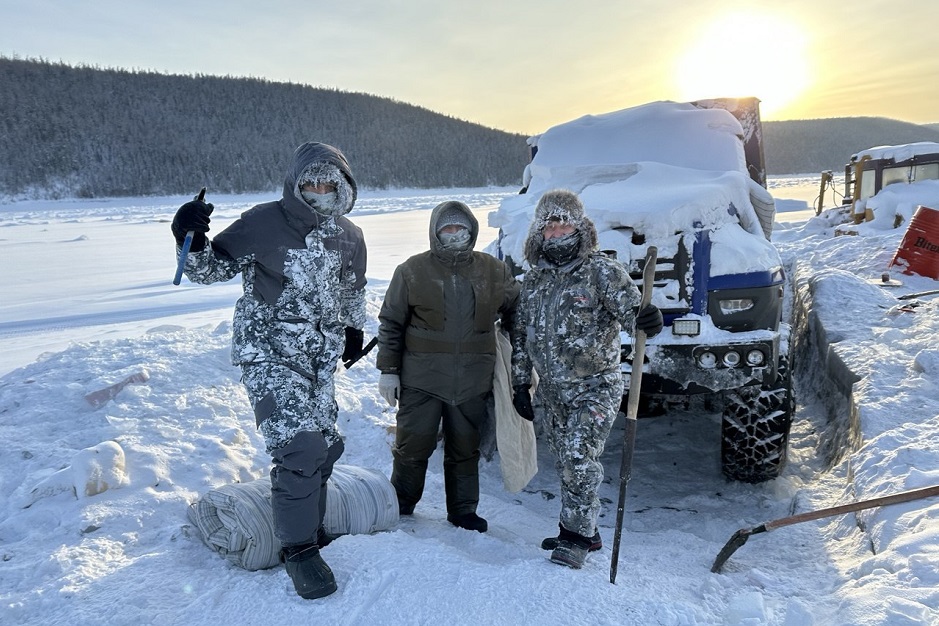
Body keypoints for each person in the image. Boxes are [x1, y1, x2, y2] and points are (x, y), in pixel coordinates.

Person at [171, 142, 369, 599]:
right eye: (311, 182)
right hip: (270, 352)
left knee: (327, 447)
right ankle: (298, 549)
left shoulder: (350, 234)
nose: (319, 190)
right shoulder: (265, 221)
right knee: (300, 449)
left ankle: (311, 528)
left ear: (342, 186)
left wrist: (354, 330)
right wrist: (190, 236)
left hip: (318, 360)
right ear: (295, 183)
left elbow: (353, 289)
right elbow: (209, 269)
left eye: (329, 183)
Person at [510, 189, 663, 569]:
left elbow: (633, 313)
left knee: (579, 458)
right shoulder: (533, 281)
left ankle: (575, 538)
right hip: (554, 390)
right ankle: (584, 529)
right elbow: (521, 336)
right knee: (567, 460)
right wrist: (519, 384)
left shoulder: (601, 271)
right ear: (539, 231)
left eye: (565, 223)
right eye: (549, 225)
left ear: (580, 226)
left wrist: (647, 319)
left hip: (596, 385)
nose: (557, 231)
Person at [376, 200, 520, 533]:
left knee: (465, 448)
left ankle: (463, 511)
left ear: (471, 230)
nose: (454, 233)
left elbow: (518, 310)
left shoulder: (493, 270)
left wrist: (518, 354)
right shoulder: (412, 270)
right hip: (421, 381)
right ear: (435, 233)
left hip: (472, 380)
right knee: (413, 446)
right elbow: (391, 323)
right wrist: (388, 370)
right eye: (447, 228)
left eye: (460, 227)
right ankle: (403, 503)